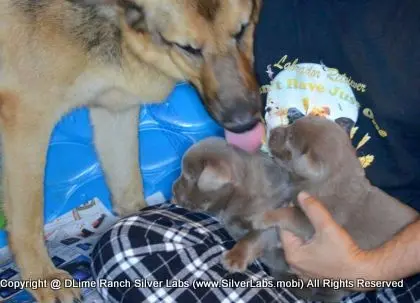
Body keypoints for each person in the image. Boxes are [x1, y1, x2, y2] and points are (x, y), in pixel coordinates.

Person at [91, 0, 420, 302]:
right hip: (272, 219)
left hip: (388, 250)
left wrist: (368, 268)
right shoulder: (240, 9)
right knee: (125, 249)